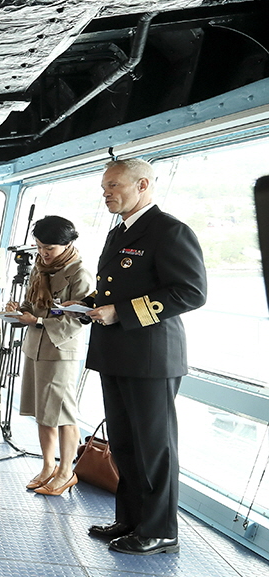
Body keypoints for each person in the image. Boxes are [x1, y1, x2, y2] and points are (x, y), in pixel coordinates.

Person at [80, 158, 207, 555]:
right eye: (104, 188)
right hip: (115, 353)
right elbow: (116, 288)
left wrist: (120, 311)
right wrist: (87, 303)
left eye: (114, 186)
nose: (107, 194)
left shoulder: (169, 231)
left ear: (143, 185)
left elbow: (191, 292)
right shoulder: (119, 233)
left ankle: (160, 530)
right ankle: (131, 519)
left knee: (154, 447)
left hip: (151, 357)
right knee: (124, 444)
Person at [2, 217, 92, 496]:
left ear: (68, 244)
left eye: (49, 248)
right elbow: (33, 305)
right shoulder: (39, 269)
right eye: (39, 247)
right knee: (43, 413)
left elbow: (81, 319)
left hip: (60, 350)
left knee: (63, 414)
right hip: (35, 347)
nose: (43, 253)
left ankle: (67, 472)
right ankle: (47, 467)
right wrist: (18, 310)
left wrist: (38, 322)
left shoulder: (80, 274)